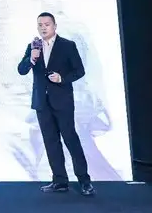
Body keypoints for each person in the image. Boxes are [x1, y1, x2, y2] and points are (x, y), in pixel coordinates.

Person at [17, 12, 95, 196]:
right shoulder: (33, 47)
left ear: (54, 26)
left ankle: (85, 181)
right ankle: (60, 181)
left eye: (47, 24)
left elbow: (79, 71)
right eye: (40, 25)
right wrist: (31, 58)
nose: (43, 28)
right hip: (41, 103)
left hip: (62, 101)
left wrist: (62, 78)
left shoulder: (67, 45)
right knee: (51, 142)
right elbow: (21, 70)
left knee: (70, 139)